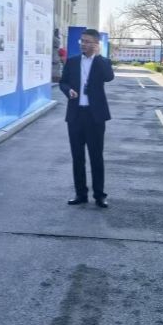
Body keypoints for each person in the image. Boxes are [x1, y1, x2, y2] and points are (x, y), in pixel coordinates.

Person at [59, 28, 115, 208]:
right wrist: (68, 90)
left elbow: (109, 77)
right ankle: (80, 194)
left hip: (95, 116)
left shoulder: (102, 62)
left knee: (96, 156)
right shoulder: (72, 61)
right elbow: (63, 82)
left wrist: (97, 57)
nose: (83, 44)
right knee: (77, 157)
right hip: (75, 115)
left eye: (88, 41)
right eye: (82, 41)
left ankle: (99, 195)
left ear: (96, 44)